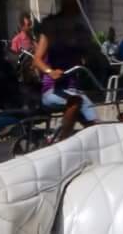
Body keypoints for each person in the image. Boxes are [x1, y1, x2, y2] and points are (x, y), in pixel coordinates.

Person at [31, 8, 100, 144]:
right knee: (75, 102)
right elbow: (36, 60)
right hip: (52, 91)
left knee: (94, 126)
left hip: (75, 91)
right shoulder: (48, 36)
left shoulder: (75, 40)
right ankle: (63, 143)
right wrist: (51, 72)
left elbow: (89, 55)